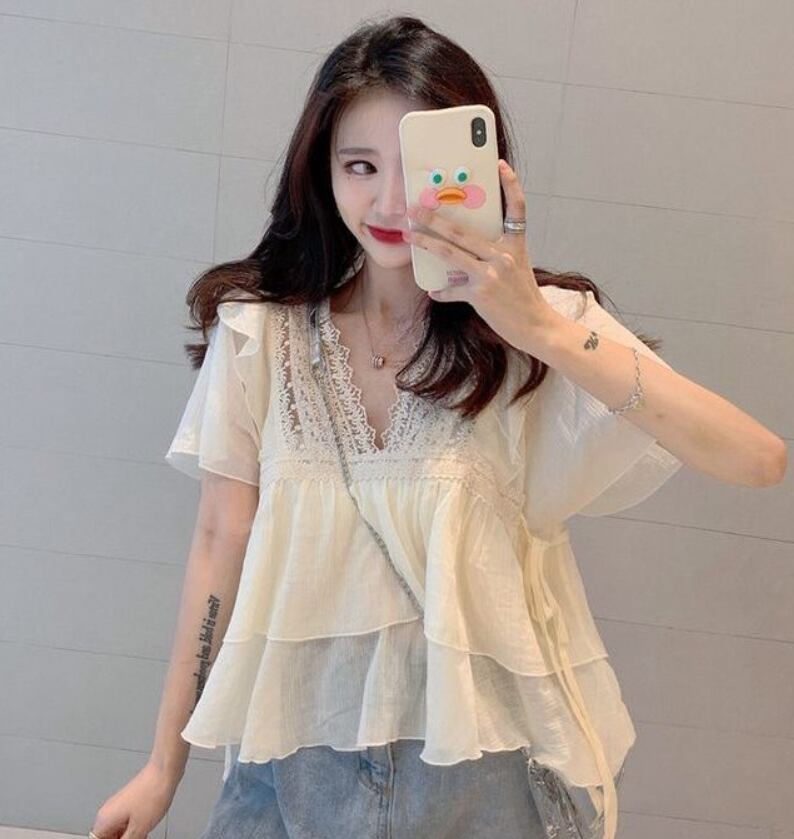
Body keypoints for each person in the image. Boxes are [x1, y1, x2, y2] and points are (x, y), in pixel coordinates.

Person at [89, 14, 786, 839]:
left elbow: (757, 458)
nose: (390, 202)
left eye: (417, 167)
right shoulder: (261, 338)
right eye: (360, 165)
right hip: (295, 772)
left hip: (485, 779)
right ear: (322, 171)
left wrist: (543, 329)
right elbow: (218, 542)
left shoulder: (537, 334)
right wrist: (163, 765)